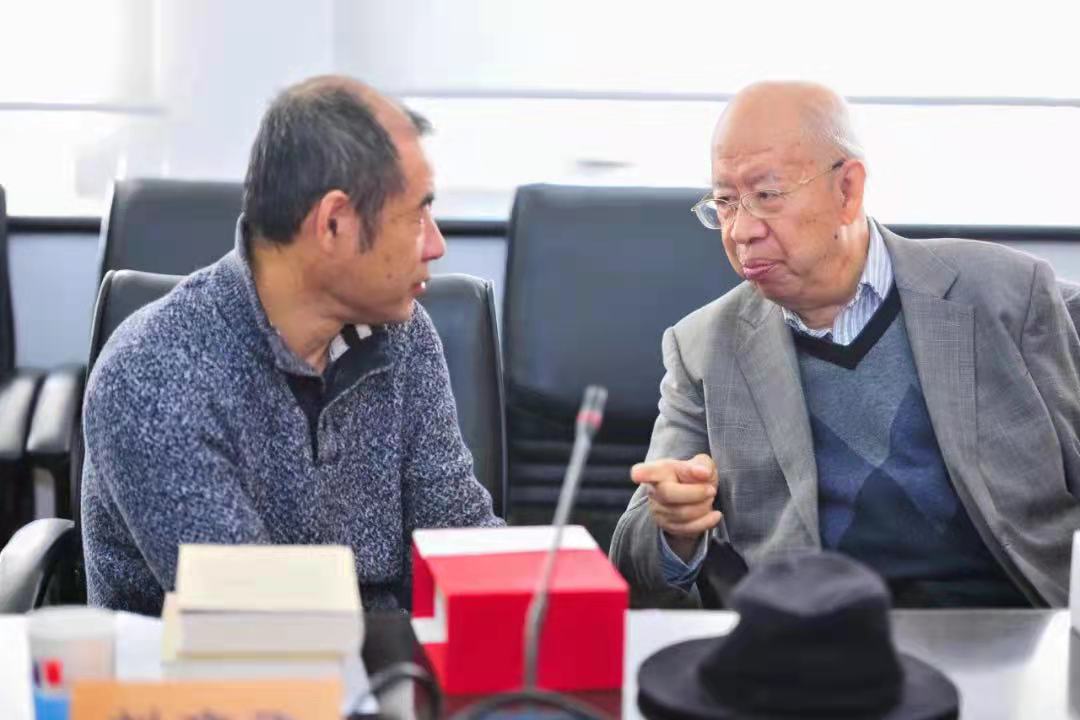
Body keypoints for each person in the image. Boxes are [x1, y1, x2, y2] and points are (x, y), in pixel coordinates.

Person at [610, 81, 1080, 609]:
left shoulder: (1007, 296)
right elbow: (634, 566)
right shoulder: (703, 348)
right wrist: (673, 526)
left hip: (1012, 626)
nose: (740, 231)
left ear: (847, 190)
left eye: (767, 196)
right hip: (810, 638)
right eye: (724, 202)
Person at [82, 76, 501, 615]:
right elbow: (251, 619)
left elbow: (459, 542)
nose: (436, 245)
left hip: (384, 655)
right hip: (219, 664)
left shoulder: (404, 336)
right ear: (333, 223)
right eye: (416, 215)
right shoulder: (152, 376)